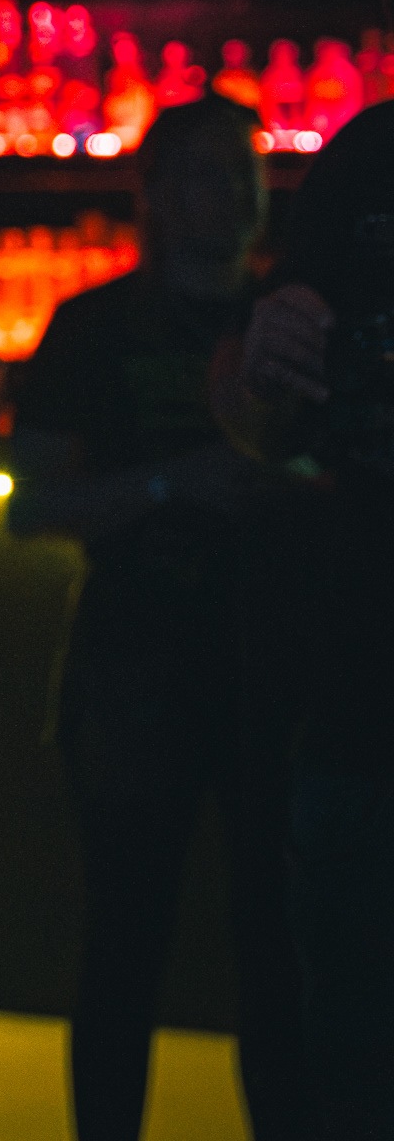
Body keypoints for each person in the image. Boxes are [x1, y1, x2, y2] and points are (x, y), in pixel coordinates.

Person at [7, 95, 308, 1141]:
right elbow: (32, 508)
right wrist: (177, 483)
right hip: (134, 677)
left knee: (279, 951)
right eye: (204, 172)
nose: (230, 193)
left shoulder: (291, 322)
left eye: (242, 170)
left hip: (278, 674)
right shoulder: (93, 327)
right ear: (156, 194)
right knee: (128, 942)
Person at [218, 100, 394, 1141]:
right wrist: (258, 374)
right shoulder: (367, 159)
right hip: (360, 687)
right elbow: (266, 419)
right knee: (347, 1060)